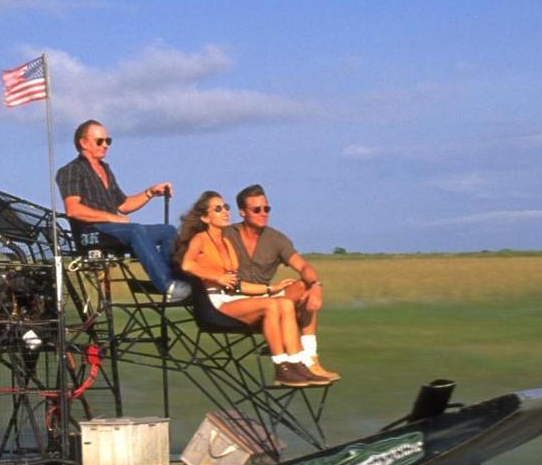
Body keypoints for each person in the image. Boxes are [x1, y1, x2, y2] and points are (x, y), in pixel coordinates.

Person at [174, 191, 328, 388]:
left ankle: (298, 363)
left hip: (230, 298)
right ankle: (281, 367)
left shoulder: (227, 243)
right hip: (213, 304)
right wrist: (217, 277)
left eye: (226, 207)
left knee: (284, 304)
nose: (225, 212)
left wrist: (271, 289)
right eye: (218, 209)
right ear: (205, 217)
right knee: (272, 307)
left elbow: (237, 284)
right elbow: (187, 266)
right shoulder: (200, 239)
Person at [56, 119, 190, 301]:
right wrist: (113, 218)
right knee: (135, 230)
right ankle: (166, 285)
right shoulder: (70, 171)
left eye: (107, 141)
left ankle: (179, 281)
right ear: (83, 143)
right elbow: (73, 210)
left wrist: (150, 192)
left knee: (168, 231)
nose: (105, 145)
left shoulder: (105, 170)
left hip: (113, 229)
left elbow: (124, 205)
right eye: (99, 141)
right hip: (90, 233)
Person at [224, 184, 338, 381]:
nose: (263, 214)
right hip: (236, 299)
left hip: (267, 297)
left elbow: (304, 267)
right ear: (242, 212)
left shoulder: (276, 239)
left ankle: (311, 359)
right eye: (257, 209)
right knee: (279, 303)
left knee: (304, 286)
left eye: (266, 209)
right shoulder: (226, 234)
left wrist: (316, 286)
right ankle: (288, 358)